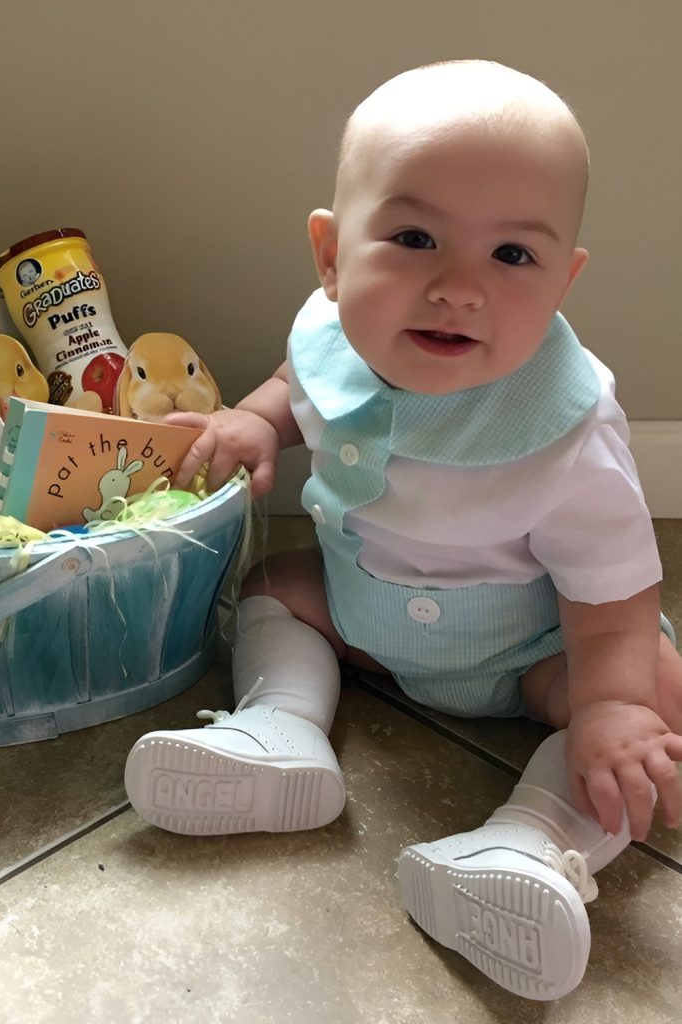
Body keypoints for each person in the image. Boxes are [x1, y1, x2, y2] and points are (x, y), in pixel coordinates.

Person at [124, 60, 682, 1000]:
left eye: (512, 256)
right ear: (332, 255)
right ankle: (279, 731)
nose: (458, 287)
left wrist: (613, 706)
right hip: (364, 618)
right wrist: (259, 420)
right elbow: (304, 387)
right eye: (415, 237)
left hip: (534, 652)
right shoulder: (332, 335)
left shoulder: (565, 429)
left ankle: (530, 847)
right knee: (268, 592)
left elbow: (614, 593)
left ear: (561, 282)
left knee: (650, 707)